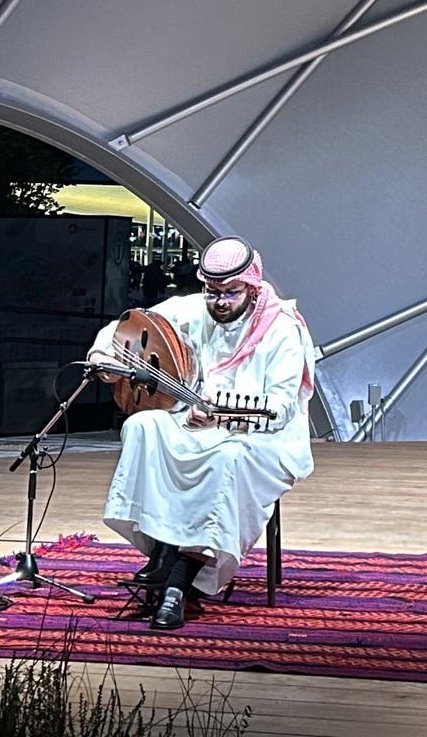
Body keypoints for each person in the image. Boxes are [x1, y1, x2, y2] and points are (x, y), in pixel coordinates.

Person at [86, 236, 315, 630]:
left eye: (230, 293)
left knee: (227, 457)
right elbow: (124, 328)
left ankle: (178, 581)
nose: (220, 302)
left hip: (260, 438)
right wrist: (105, 357)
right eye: (213, 292)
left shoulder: (281, 329)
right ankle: (162, 553)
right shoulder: (195, 309)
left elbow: (280, 408)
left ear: (251, 287)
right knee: (142, 425)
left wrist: (219, 417)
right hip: (193, 425)